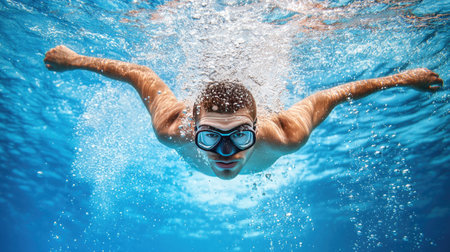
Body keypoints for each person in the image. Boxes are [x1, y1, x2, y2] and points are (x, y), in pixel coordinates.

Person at [44, 45, 443, 180]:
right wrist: (75, 59)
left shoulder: (286, 133)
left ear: (257, 127)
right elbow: (138, 73)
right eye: (209, 136)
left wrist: (404, 78)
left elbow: (333, 94)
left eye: (239, 135)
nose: (223, 151)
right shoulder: (171, 127)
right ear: (193, 128)